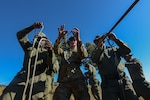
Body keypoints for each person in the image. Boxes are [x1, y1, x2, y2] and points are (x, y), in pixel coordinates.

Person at [0, 22, 59, 100]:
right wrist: (32, 27)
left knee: (37, 97)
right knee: (7, 96)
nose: (38, 40)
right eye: (37, 38)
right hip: (24, 74)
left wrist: (50, 51)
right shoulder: (29, 47)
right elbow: (20, 35)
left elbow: (54, 68)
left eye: (42, 39)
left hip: (40, 76)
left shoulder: (49, 52)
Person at [91, 32, 138, 100]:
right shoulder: (95, 52)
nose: (98, 42)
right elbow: (94, 59)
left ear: (104, 40)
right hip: (108, 84)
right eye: (96, 41)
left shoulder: (114, 48)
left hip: (123, 80)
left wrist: (116, 39)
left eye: (100, 40)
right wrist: (101, 47)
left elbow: (127, 51)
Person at [52, 25, 90, 100]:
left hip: (77, 79)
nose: (72, 41)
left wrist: (78, 38)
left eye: (74, 40)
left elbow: (84, 55)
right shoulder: (64, 52)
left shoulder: (79, 50)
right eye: (71, 40)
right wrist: (59, 37)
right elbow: (56, 50)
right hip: (64, 81)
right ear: (68, 43)